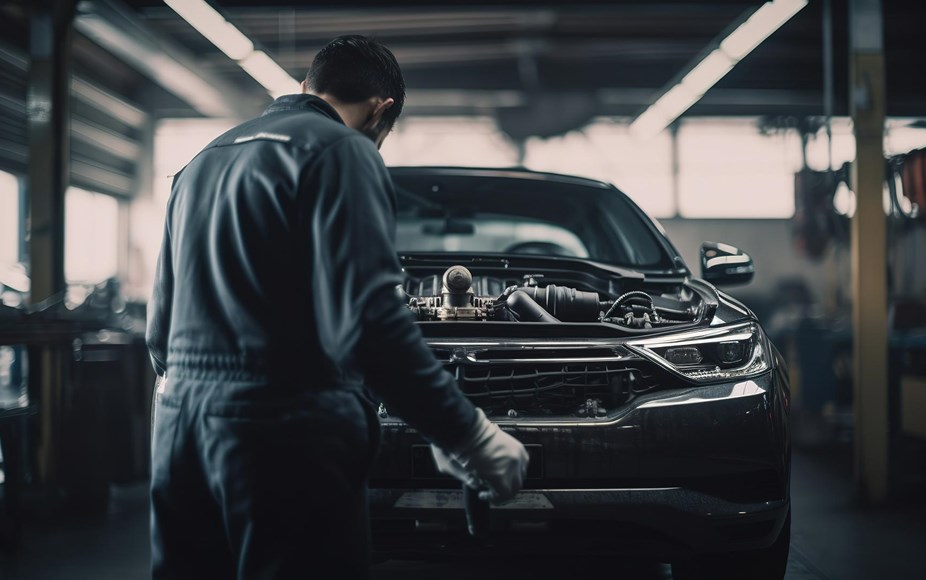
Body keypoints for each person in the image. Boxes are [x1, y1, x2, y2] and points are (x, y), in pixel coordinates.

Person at [146, 35, 528, 579]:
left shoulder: (200, 163)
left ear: (307, 87)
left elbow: (159, 330)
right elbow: (370, 326)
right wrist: (465, 434)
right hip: (283, 435)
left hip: (180, 428)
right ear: (382, 110)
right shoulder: (341, 151)